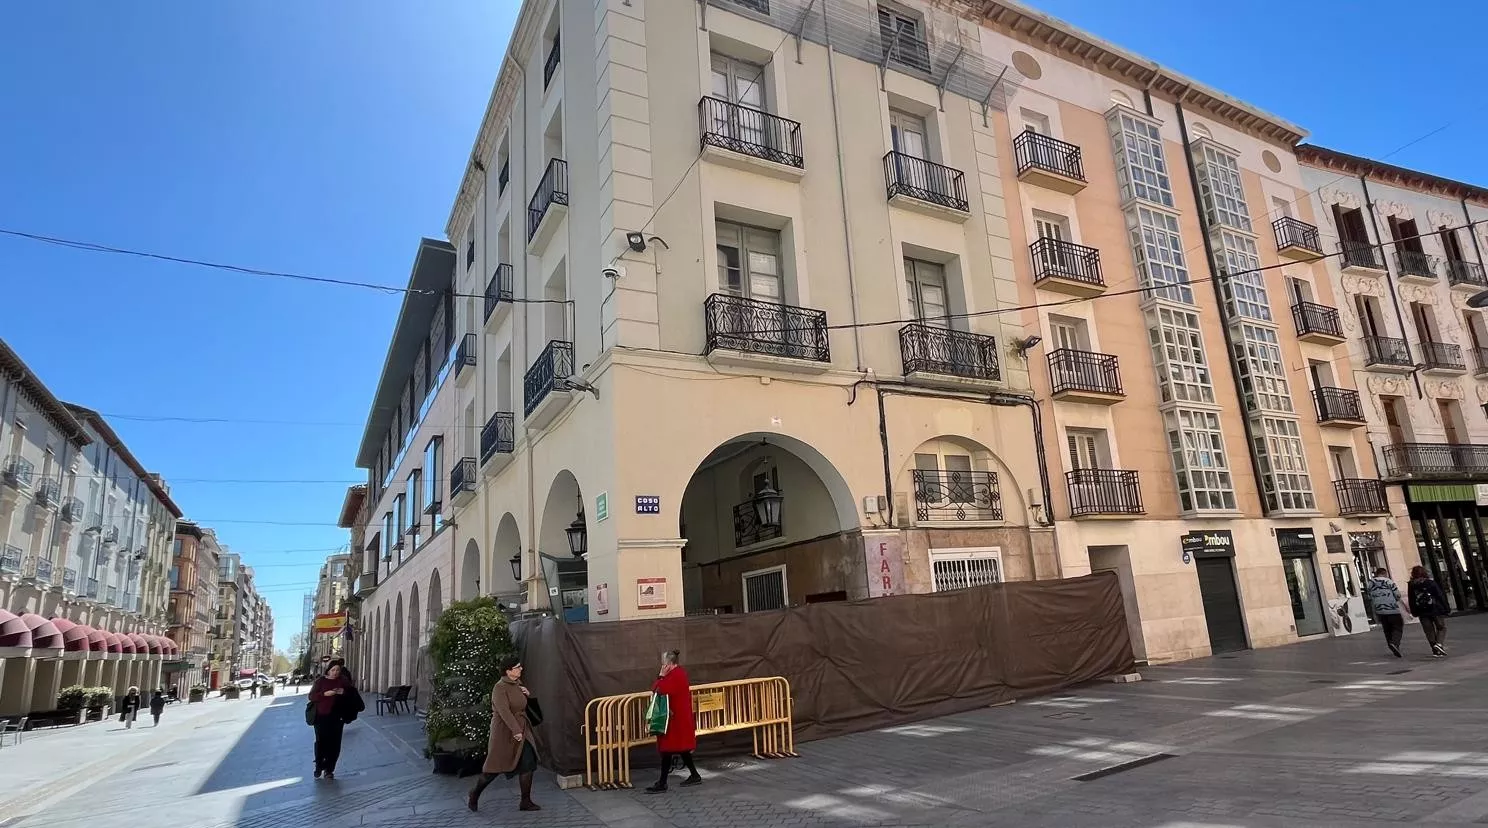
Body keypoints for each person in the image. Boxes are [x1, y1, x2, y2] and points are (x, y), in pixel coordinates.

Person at [467, 655, 539, 813]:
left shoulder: (517, 684)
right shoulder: (499, 688)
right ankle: (475, 793)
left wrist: (527, 694)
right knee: (493, 769)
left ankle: (525, 801)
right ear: (508, 671)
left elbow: (522, 707)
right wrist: (516, 731)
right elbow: (504, 711)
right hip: (503, 733)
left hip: (521, 730)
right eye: (517, 667)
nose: (521, 669)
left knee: (528, 763)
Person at [646, 649, 701, 794]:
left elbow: (658, 689)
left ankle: (663, 783)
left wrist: (661, 676)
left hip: (676, 719)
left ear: (669, 664)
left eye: (663, 663)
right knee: (680, 748)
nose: (662, 665)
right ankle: (694, 775)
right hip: (676, 718)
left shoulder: (675, 676)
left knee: (667, 750)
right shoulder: (678, 674)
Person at [308, 663, 351, 779]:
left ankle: (329, 770)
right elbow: (311, 696)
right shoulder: (320, 681)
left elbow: (352, 694)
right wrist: (324, 694)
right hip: (321, 717)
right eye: (333, 670)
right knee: (321, 742)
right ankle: (318, 765)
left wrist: (343, 692)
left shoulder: (343, 681)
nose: (335, 672)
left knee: (335, 744)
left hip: (337, 717)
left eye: (338, 670)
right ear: (328, 671)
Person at [1364, 566, 1410, 658]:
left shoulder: (1370, 583)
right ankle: (1395, 643)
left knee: (1387, 628)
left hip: (1379, 610)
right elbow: (1397, 595)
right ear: (1384, 573)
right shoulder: (1388, 581)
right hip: (1392, 608)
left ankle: (1391, 644)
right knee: (1398, 626)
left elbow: (1369, 596)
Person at [1407, 565, 1451, 657]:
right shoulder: (1430, 583)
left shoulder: (1411, 585)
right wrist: (1446, 608)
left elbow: (1411, 599)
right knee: (1441, 627)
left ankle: (1435, 650)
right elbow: (1440, 595)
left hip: (1422, 611)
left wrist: (1414, 611)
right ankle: (1439, 644)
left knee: (1429, 631)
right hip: (1435, 609)